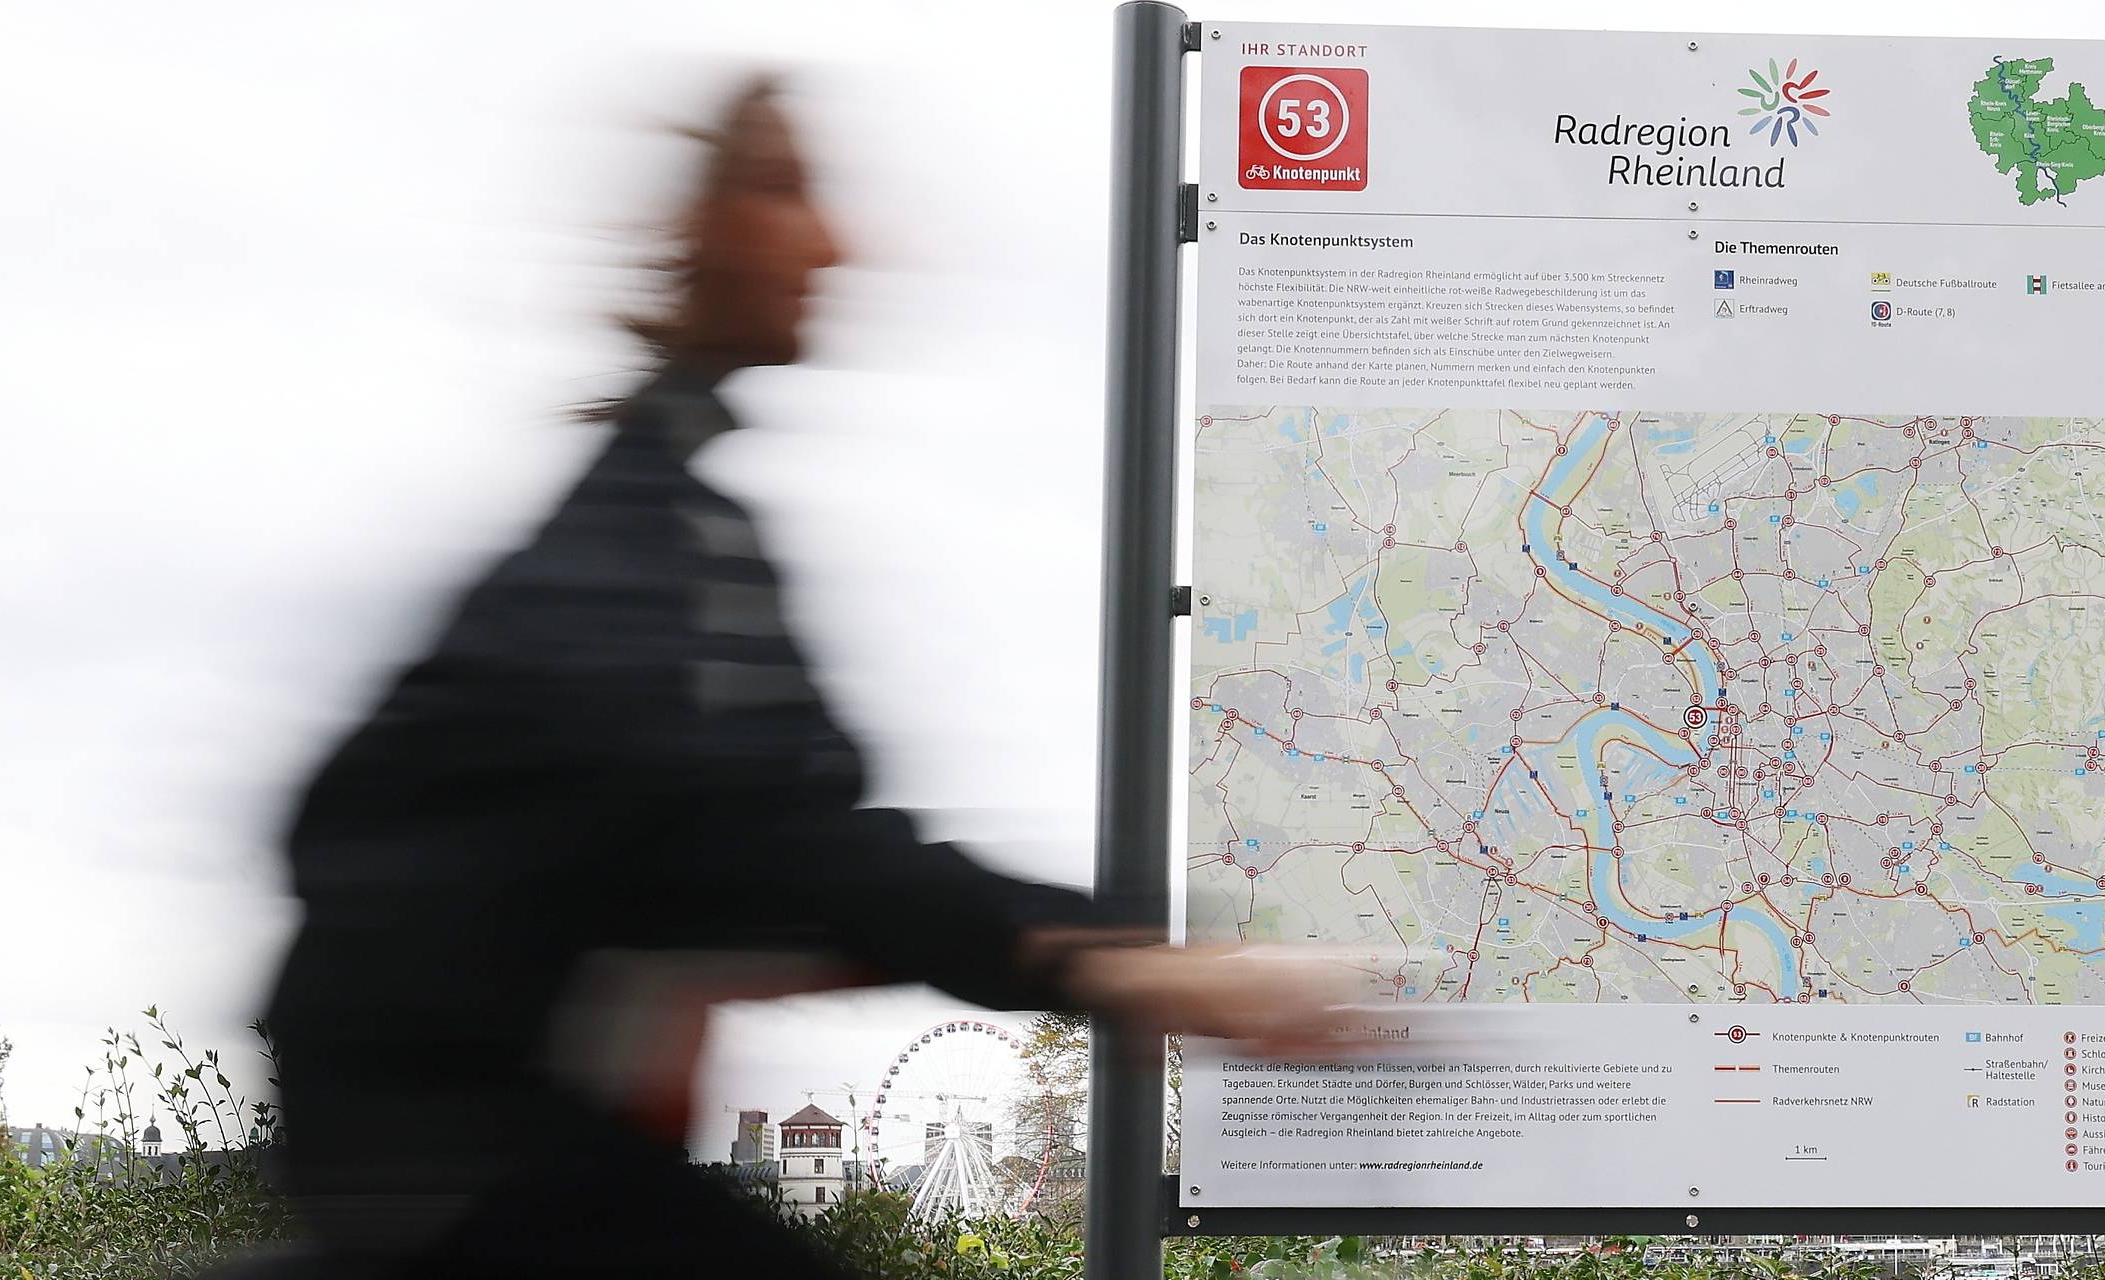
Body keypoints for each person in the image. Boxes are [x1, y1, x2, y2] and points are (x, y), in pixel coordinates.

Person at [251, 75, 1346, 1277]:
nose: (836, 242)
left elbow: (800, 844)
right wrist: (1107, 958)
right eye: (786, 191)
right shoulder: (644, 551)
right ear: (702, 228)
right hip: (456, 1155)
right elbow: (802, 847)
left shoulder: (668, 527)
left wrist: (1088, 951)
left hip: (453, 1145)